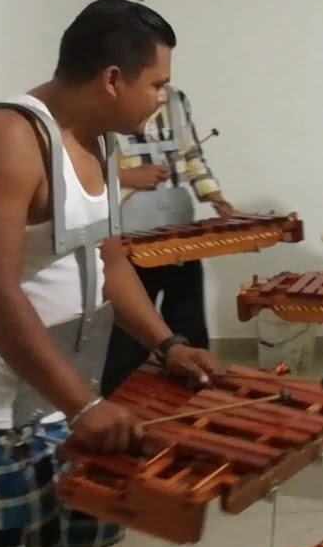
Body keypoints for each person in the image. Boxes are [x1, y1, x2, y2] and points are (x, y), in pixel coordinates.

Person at [0, 0, 219, 547]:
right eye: (157, 84)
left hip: (68, 397)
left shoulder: (101, 141)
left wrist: (167, 346)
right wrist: (84, 406)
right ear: (112, 79)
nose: (163, 100)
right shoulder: (6, 138)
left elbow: (112, 266)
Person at [100, 83, 236, 395]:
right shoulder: (106, 100)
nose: (162, 92)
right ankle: (119, 400)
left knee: (189, 323)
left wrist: (214, 196)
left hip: (177, 226)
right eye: (154, 80)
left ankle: (192, 397)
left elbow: (191, 154)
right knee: (131, 331)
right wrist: (126, 177)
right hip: (129, 233)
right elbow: (83, 168)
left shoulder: (177, 101)